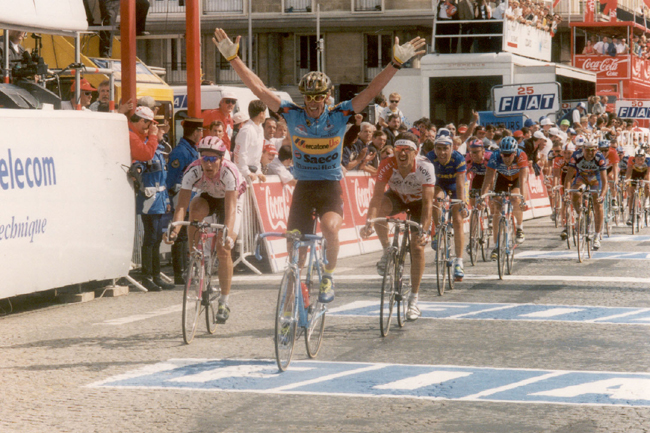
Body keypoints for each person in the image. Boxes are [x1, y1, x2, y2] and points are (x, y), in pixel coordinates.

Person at [212, 27, 425, 303]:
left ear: (327, 96)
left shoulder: (339, 115)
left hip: (328, 186)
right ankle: (294, 296)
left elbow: (371, 91)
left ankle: (328, 275)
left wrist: (395, 63)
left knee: (330, 227)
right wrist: (233, 59)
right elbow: (259, 88)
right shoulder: (291, 113)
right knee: (294, 249)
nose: (312, 103)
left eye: (318, 97)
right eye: (308, 97)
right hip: (304, 187)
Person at [164, 136, 247, 324]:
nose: (208, 164)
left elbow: (231, 210)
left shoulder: (229, 172)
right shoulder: (192, 170)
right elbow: (181, 206)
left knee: (224, 247)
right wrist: (175, 231)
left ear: (221, 159)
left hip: (232, 200)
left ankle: (224, 302)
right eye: (204, 159)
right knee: (195, 208)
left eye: (213, 160)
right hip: (209, 196)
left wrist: (227, 233)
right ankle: (197, 255)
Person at [361, 133, 434, 321]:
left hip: (418, 203)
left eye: (406, 150)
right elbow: (377, 197)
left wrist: (424, 232)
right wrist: (369, 221)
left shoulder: (425, 167)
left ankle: (414, 300)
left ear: (415, 152)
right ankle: (387, 250)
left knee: (417, 248)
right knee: (379, 211)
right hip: (397, 198)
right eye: (398, 150)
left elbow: (427, 204)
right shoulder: (387, 163)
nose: (401, 154)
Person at [132, 127, 174, 292]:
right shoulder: (146, 149)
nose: (163, 133)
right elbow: (138, 167)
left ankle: (156, 275)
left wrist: (167, 200)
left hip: (160, 199)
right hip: (149, 200)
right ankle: (147, 276)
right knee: (150, 237)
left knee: (157, 237)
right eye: (160, 130)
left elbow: (162, 178)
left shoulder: (160, 152)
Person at [166, 117, 204, 284]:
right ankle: (179, 273)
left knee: (188, 235)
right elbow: (171, 180)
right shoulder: (180, 152)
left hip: (192, 198)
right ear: (196, 132)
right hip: (181, 198)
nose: (201, 134)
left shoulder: (191, 150)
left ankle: (186, 270)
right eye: (200, 131)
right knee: (180, 236)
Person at [427, 130, 468, 281]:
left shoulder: (458, 159)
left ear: (451, 148)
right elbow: (428, 184)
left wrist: (462, 205)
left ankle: (459, 261)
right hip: (439, 186)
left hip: (455, 186)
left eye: (446, 148)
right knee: (435, 199)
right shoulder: (429, 158)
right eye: (439, 148)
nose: (442, 152)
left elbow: (460, 184)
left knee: (457, 221)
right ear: (434, 149)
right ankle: (438, 230)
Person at [480, 136, 529, 259]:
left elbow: (523, 180)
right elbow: (488, 179)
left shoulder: (521, 155)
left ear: (514, 153)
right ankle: (496, 246)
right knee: (496, 210)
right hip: (502, 179)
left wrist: (523, 200)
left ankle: (519, 227)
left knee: (516, 199)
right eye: (504, 155)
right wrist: (482, 197)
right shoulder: (495, 156)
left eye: (509, 155)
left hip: (517, 179)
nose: (506, 158)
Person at [564, 140, 608, 249]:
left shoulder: (600, 158)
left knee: (598, 204)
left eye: (593, 150)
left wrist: (602, 196)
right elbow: (569, 177)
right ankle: (580, 214)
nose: (590, 153)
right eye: (588, 150)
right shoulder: (576, 156)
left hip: (595, 179)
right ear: (583, 149)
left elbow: (605, 181)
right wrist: (566, 192)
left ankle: (597, 236)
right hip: (582, 177)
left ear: (596, 150)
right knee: (575, 192)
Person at [233, 100, 267, 183]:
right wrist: (247, 173)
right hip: (241, 177)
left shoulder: (260, 129)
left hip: (253, 175)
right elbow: (239, 154)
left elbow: (257, 156)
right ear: (261, 114)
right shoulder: (246, 130)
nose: (265, 116)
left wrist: (258, 172)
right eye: (265, 113)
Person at [624, 148, 650, 226]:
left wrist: (646, 182)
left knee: (647, 186)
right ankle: (630, 215)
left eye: (642, 159)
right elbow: (628, 172)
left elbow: (648, 174)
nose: (640, 161)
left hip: (644, 174)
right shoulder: (631, 160)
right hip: (635, 173)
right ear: (635, 158)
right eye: (638, 159)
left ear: (645, 158)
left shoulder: (648, 160)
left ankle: (646, 200)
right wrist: (627, 182)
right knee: (631, 194)